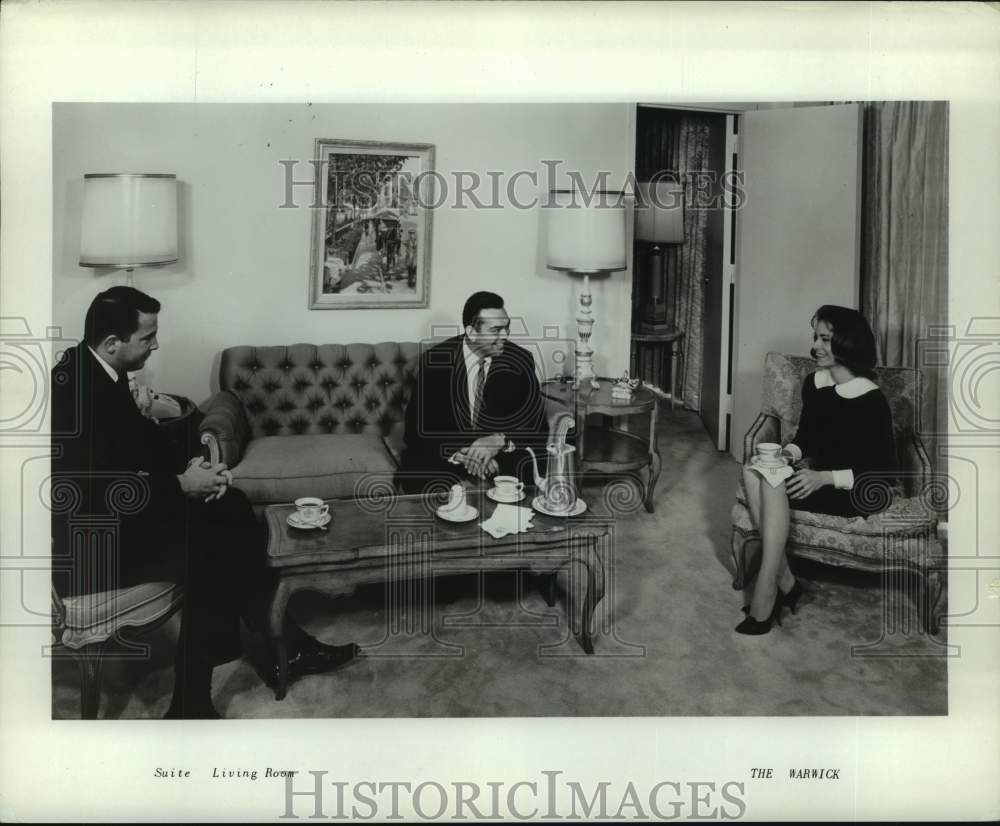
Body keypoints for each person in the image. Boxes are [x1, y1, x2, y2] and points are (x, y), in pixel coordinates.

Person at [51, 286, 360, 718]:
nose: (156, 345)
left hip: (118, 520)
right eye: (147, 337)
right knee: (214, 543)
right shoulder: (74, 395)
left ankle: (262, 661)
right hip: (90, 547)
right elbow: (89, 493)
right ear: (111, 343)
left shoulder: (100, 370)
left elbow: (140, 445)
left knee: (229, 504)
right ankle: (225, 679)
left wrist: (197, 468)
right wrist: (181, 484)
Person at [736, 305, 896, 636]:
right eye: (816, 337)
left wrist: (823, 477)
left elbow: (883, 472)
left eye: (825, 339)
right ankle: (788, 582)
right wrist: (787, 453)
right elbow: (807, 438)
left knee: (771, 484)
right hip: (817, 478)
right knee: (755, 471)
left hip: (859, 489)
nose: (815, 346)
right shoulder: (815, 382)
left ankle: (767, 593)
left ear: (847, 344)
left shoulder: (871, 400)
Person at [398, 291, 548, 494]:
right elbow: (415, 430)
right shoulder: (435, 361)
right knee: (419, 471)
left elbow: (538, 426)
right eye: (496, 330)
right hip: (448, 458)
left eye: (506, 328)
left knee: (527, 471)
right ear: (471, 332)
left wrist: (499, 441)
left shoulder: (520, 360)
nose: (504, 335)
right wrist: (465, 454)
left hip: (502, 458)